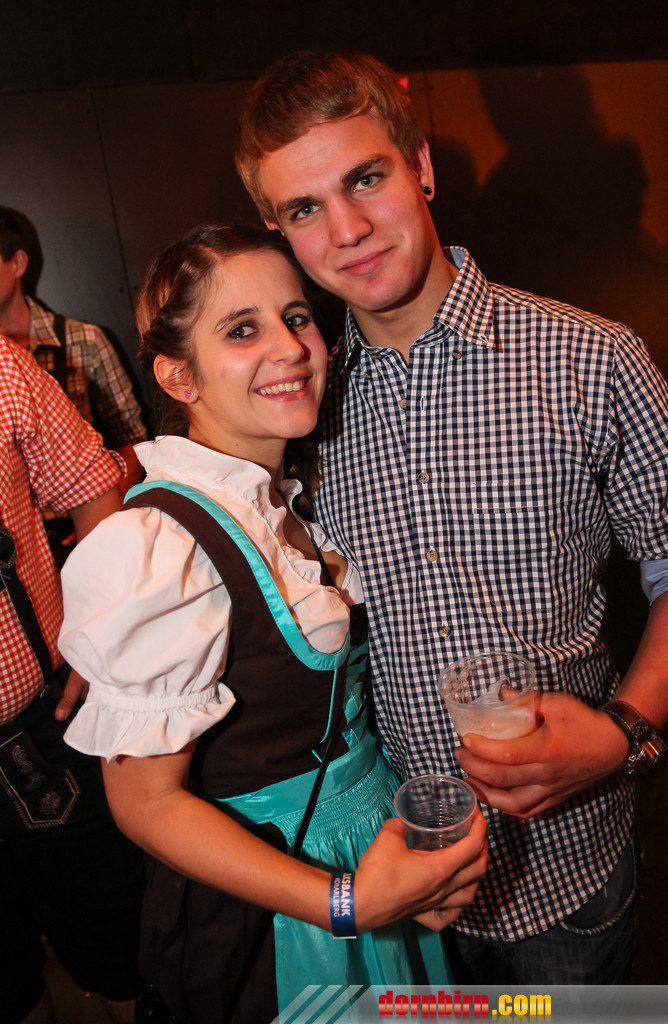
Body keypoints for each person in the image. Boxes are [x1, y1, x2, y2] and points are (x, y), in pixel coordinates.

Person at [234, 50, 668, 985]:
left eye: (366, 179)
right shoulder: (295, 409)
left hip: (563, 871)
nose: (347, 230)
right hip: (391, 877)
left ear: (421, 166)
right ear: (276, 230)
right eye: (304, 209)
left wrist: (623, 729)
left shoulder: (591, 360)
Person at [57, 223, 488, 1024]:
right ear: (177, 375)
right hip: (283, 906)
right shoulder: (160, 549)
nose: (290, 347)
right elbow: (145, 806)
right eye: (240, 330)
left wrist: (398, 872)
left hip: (368, 851)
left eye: (295, 317)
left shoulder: (282, 504)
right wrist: (343, 901)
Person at [0, 336, 144, 1023]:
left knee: (117, 943)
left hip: (42, 727)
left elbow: (92, 486)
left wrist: (95, 630)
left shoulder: (2, 366)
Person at [0, 206, 148, 495]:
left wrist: (106, 512)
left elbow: (132, 441)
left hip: (83, 514)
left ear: (18, 263)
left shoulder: (83, 340)